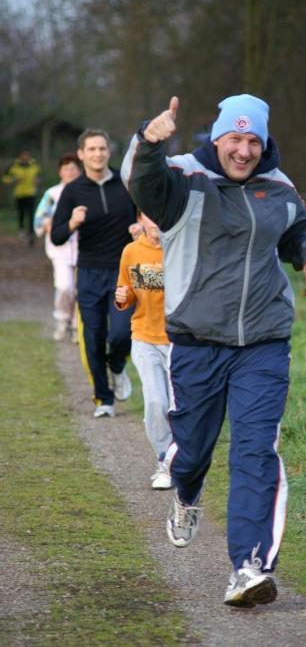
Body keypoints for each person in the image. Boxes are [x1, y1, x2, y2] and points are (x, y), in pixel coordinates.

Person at [121, 94, 306, 607]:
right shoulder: (182, 179)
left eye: (254, 141)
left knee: (255, 451)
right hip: (196, 340)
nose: (244, 151)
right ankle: (187, 496)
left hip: (263, 342)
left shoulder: (277, 186)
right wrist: (149, 139)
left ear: (264, 143)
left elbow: (299, 227)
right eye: (234, 139)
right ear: (216, 139)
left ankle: (249, 566)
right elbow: (142, 183)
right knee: (190, 452)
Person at [51, 128, 137, 419]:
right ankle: (104, 398)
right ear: (81, 154)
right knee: (94, 334)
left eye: (102, 148)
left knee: (122, 331)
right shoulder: (73, 190)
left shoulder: (126, 184)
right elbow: (57, 236)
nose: (97, 154)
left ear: (109, 151)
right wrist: (73, 223)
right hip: (88, 271)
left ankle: (117, 365)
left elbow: (146, 217)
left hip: (123, 271)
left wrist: (139, 227)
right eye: (91, 149)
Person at [115, 212, 173, 490]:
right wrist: (123, 297)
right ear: (140, 219)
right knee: (155, 403)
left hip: (181, 341)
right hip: (144, 338)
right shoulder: (131, 251)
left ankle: (183, 460)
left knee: (178, 406)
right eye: (151, 217)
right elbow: (125, 289)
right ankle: (164, 461)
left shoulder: (182, 248)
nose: (157, 224)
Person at [33, 153, 81, 342]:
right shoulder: (52, 194)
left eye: (73, 168)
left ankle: (78, 325)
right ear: (60, 172)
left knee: (80, 289)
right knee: (64, 287)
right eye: (65, 168)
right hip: (60, 249)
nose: (69, 172)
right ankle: (62, 319)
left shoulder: (86, 191)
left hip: (84, 248)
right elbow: (39, 218)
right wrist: (46, 224)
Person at [2, 149, 41, 245]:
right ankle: (21, 230)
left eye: (27, 156)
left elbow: (39, 176)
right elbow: (4, 177)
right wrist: (13, 180)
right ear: (20, 156)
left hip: (31, 193)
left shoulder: (34, 165)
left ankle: (31, 233)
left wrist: (37, 180)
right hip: (19, 193)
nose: (25, 157)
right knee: (21, 213)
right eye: (24, 156)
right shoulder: (14, 165)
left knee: (31, 213)